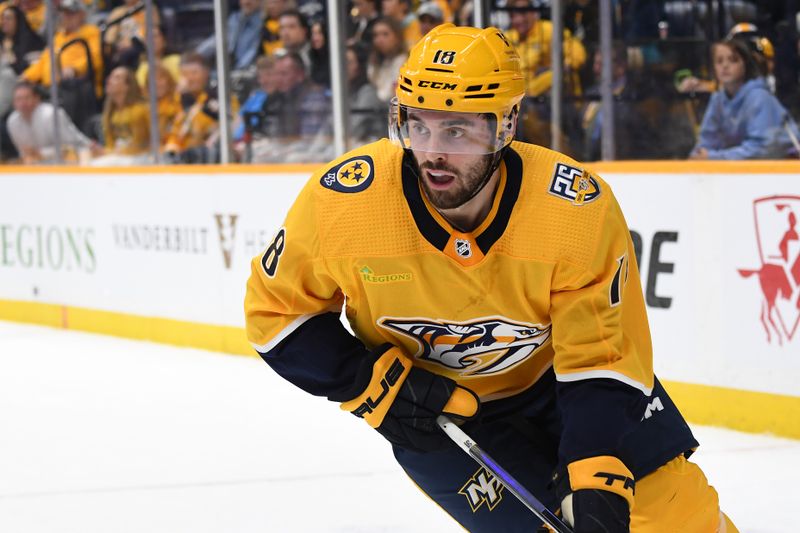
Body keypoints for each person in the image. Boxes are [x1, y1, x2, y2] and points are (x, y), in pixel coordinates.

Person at [244, 24, 739, 533]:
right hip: (441, 416)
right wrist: (367, 382)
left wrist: (595, 465)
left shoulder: (572, 208)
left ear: (505, 125)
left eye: (456, 130)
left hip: (561, 386)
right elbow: (275, 312)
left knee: (681, 515)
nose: (432, 153)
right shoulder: (347, 202)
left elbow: (601, 353)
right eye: (418, 125)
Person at [690, 38, 799, 160]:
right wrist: (697, 156)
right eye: (719, 61)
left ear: (745, 64)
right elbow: (707, 141)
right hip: (743, 167)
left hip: (786, 166)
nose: (725, 66)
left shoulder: (759, 97)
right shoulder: (718, 99)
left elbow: (760, 149)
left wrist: (713, 157)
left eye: (733, 60)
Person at [6, 80, 97, 164]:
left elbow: (70, 147)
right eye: (18, 99)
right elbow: (24, 154)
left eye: (26, 98)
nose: (23, 103)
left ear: (37, 99)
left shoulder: (52, 115)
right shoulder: (12, 122)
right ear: (13, 102)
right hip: (39, 167)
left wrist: (41, 153)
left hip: (80, 157)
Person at [92, 66, 150, 165]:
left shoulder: (140, 110)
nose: (109, 80)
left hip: (141, 157)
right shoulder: (110, 112)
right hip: (119, 157)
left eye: (117, 77)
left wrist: (108, 152)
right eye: (110, 76)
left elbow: (139, 144)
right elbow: (110, 143)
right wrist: (102, 151)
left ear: (127, 86)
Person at [0, 4, 43, 116]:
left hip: (21, 82)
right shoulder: (3, 40)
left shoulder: (31, 41)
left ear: (18, 20)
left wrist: (9, 55)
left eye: (8, 18)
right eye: (3, 18)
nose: (4, 22)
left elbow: (26, 69)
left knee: (7, 74)